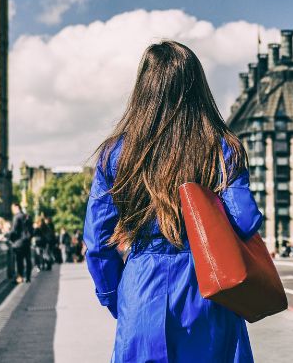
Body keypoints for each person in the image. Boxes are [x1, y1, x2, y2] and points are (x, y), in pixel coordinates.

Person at [83, 40, 262, 362]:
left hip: (142, 287)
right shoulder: (222, 148)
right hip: (209, 290)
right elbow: (246, 221)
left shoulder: (115, 153)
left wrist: (116, 296)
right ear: (197, 88)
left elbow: (97, 243)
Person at [8, 201, 33, 283]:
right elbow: (31, 230)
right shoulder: (27, 216)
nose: (12, 210)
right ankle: (28, 277)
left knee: (19, 261)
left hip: (19, 243)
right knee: (28, 259)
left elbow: (14, 230)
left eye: (12, 208)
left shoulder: (17, 217)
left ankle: (20, 277)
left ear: (16, 207)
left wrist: (9, 238)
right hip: (27, 241)